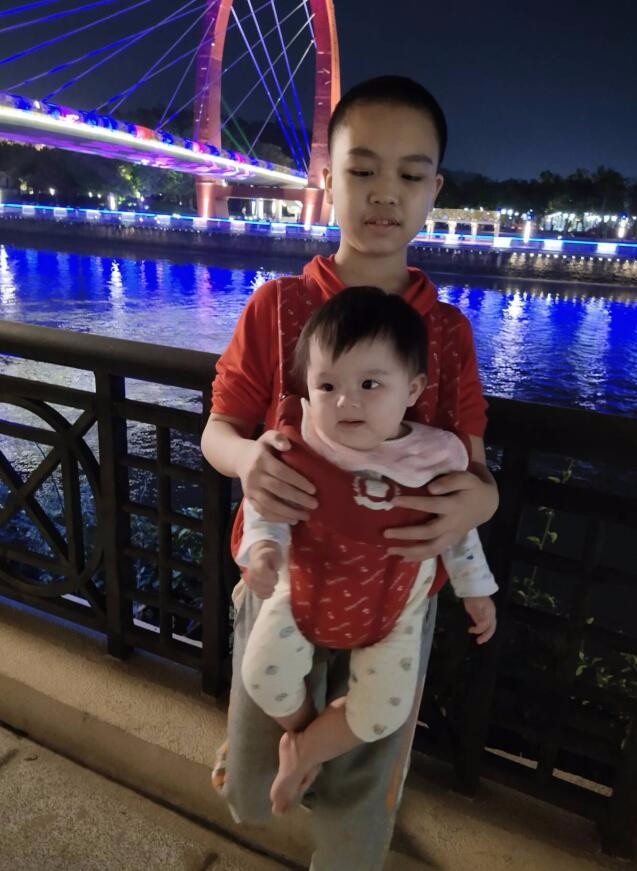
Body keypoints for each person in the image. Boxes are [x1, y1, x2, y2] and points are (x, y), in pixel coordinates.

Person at [201, 74, 499, 871]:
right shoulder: (276, 306)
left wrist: (480, 501)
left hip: (397, 593)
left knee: (361, 794)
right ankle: (273, 754)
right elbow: (219, 431)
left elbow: (471, 470)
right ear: (326, 176)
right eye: (361, 169)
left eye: (410, 174)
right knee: (252, 780)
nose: (384, 193)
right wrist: (249, 459)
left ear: (434, 190)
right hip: (282, 580)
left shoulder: (446, 331)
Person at [236, 286, 498, 815]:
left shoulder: (433, 458)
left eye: (370, 384)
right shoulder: (300, 444)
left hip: (395, 612)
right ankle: (303, 732)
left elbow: (455, 528)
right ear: (307, 388)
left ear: (413, 389)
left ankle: (306, 751)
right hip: (301, 591)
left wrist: (475, 590)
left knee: (384, 713)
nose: (345, 401)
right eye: (327, 385)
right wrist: (262, 549)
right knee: (261, 675)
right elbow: (267, 502)